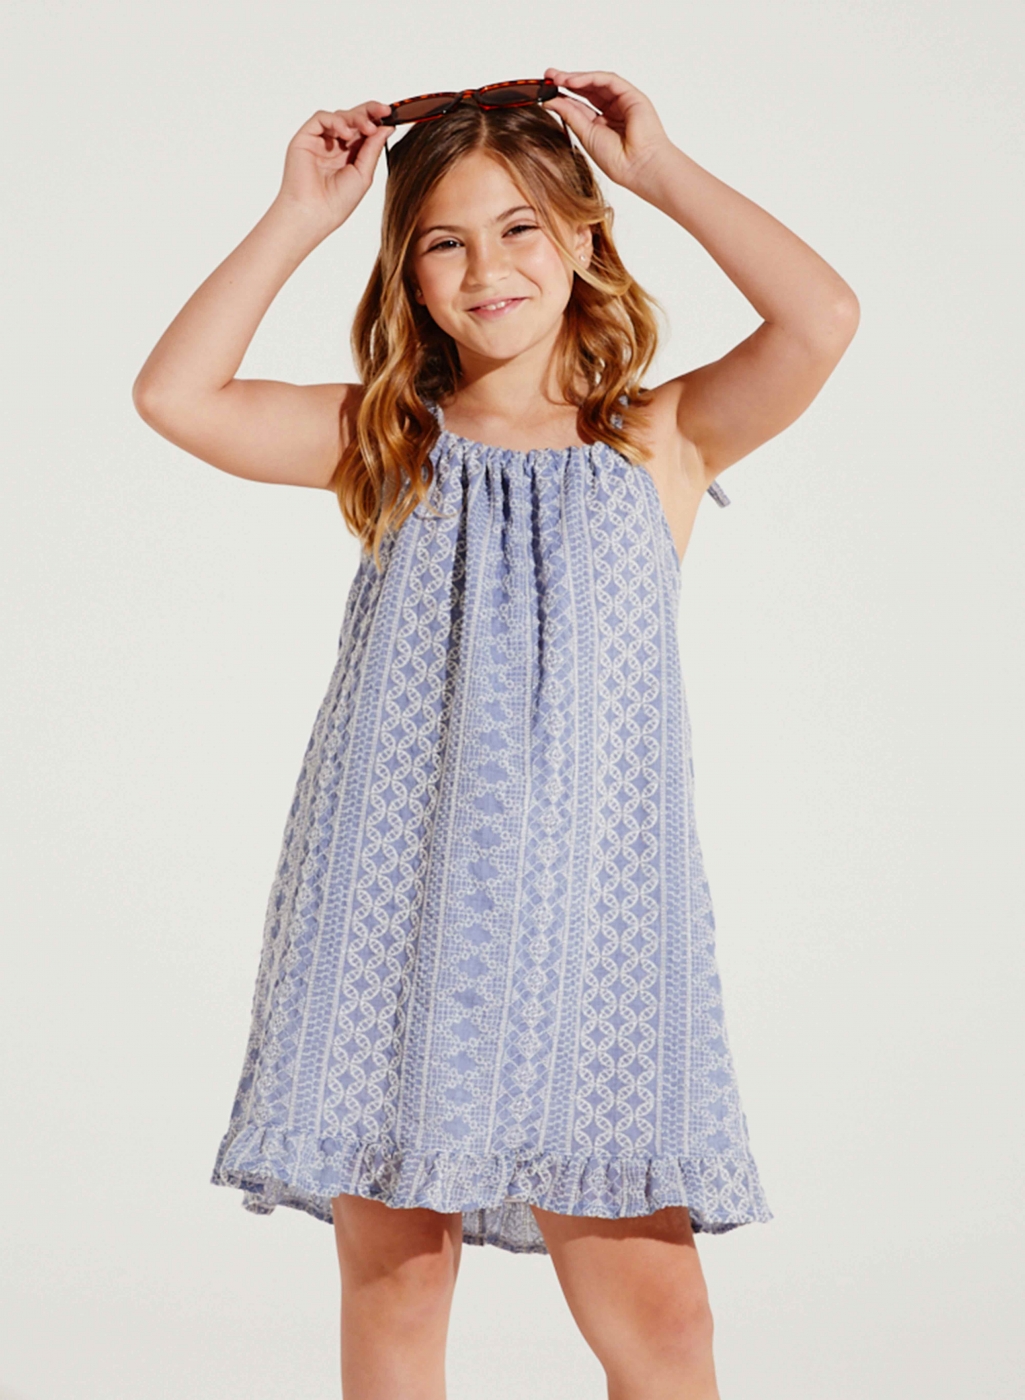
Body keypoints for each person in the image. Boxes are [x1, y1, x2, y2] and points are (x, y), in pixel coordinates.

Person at [133, 67, 859, 1400]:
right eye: (443, 243)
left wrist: (659, 169)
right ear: (407, 275)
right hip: (394, 917)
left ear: (582, 235)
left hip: (598, 937)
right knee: (399, 1290)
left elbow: (821, 317)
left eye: (520, 227)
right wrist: (299, 216)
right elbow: (177, 397)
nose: (486, 269)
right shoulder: (387, 438)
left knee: (663, 1325)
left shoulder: (661, 438)